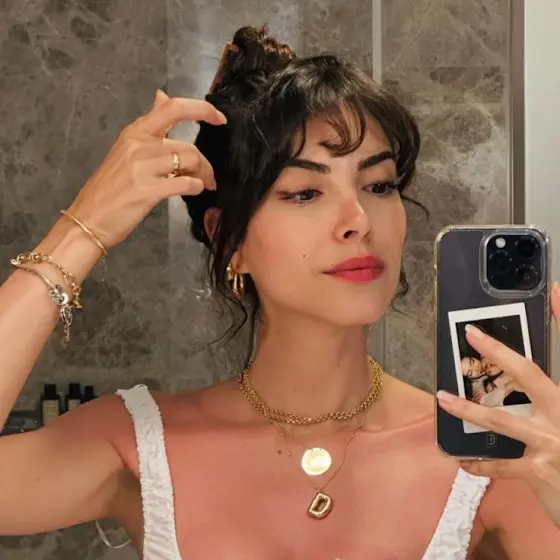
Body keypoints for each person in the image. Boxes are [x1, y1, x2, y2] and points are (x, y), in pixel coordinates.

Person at [0, 25, 559, 559]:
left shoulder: (493, 458)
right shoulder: (136, 444)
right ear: (230, 240)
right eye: (305, 192)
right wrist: (83, 230)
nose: (359, 220)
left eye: (379, 184)